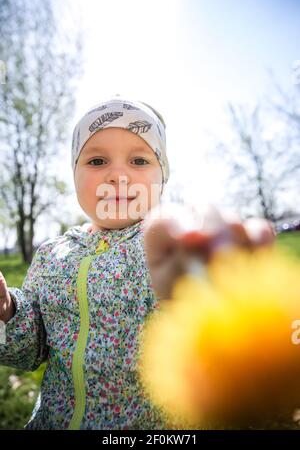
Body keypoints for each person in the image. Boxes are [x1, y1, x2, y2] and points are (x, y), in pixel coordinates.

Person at [0, 96, 274, 430]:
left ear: (163, 176)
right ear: (74, 174)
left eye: (140, 161)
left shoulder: (166, 248)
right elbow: (32, 350)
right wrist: (8, 311)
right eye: (98, 160)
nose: (118, 175)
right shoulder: (51, 254)